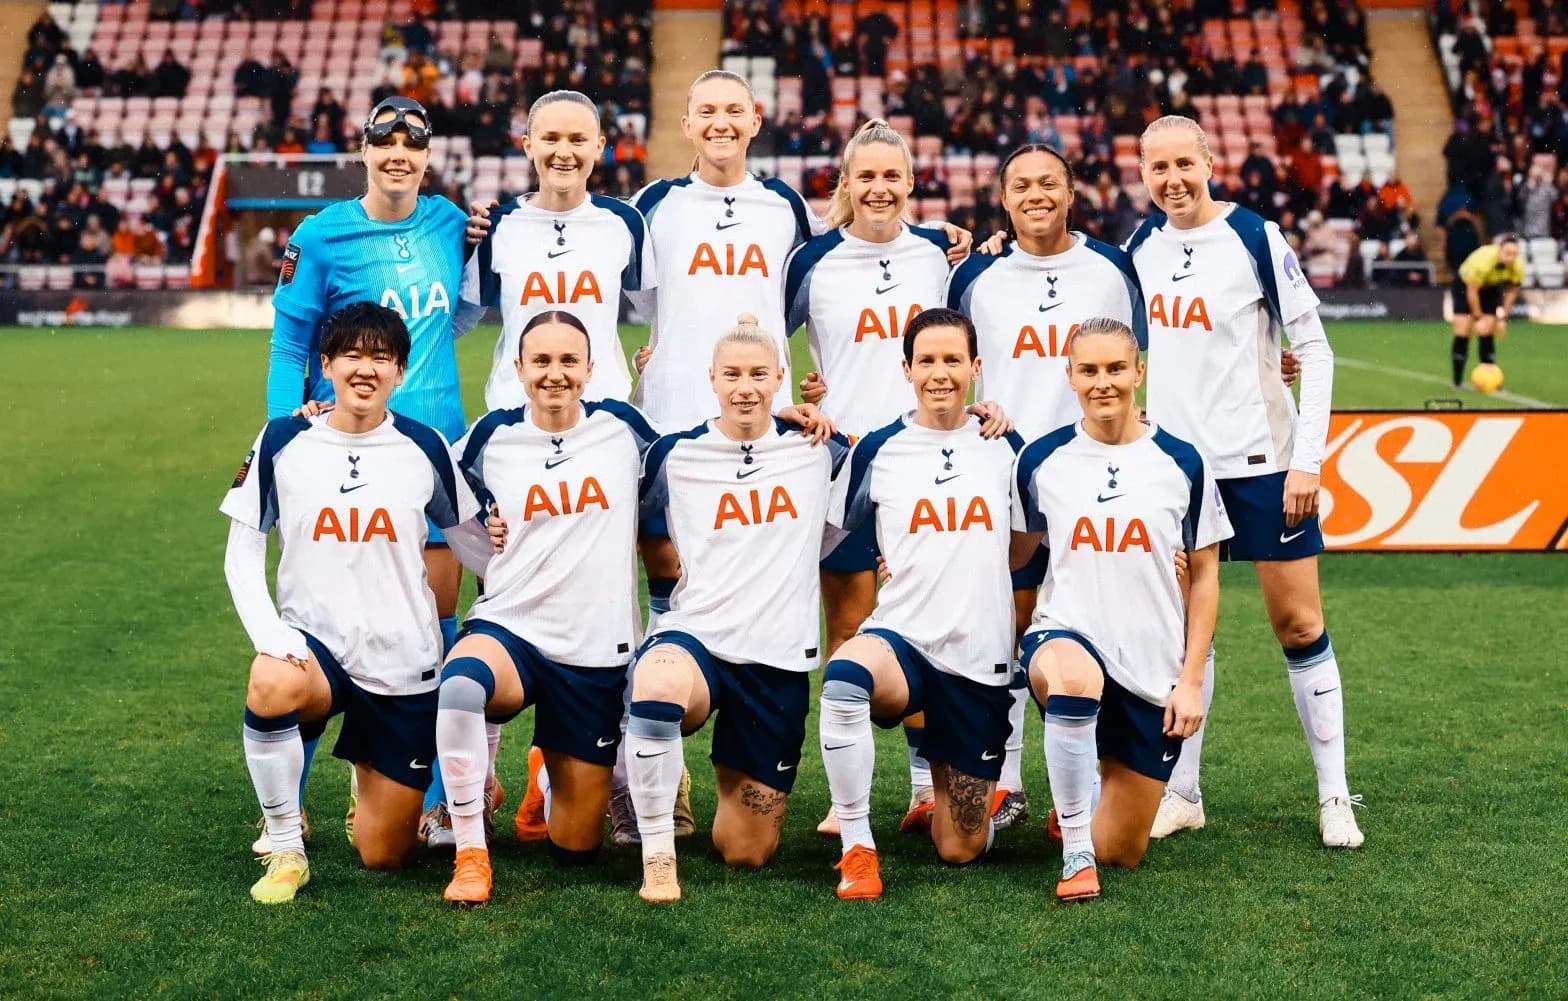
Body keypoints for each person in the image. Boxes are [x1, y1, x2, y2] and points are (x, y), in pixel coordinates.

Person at [261, 96, 489, 855]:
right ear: (363, 149)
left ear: (427, 156)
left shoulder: (450, 223)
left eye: (413, 143)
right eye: (384, 141)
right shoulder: (322, 234)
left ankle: (430, 795)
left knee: (432, 618)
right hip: (342, 450)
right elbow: (290, 339)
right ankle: (286, 810)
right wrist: (282, 430)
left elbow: (452, 318)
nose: (398, 153)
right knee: (319, 620)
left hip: (432, 449)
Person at [1127, 116, 1363, 849]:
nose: (1172, 180)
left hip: (1264, 465)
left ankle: (1333, 795)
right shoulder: (1138, 249)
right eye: (1157, 167)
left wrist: (1309, 459)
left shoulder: (1255, 236)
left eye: (1183, 164)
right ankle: (1184, 792)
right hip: (1175, 473)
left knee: (1298, 623)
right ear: (1143, 174)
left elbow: (1314, 351)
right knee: (1183, 638)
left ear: (1208, 161)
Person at [781, 119, 1012, 838]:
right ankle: (847, 800)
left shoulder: (939, 257)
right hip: (846, 463)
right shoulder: (811, 260)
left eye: (893, 176)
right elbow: (765, 333)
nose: (879, 188)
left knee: (927, 622)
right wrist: (801, 399)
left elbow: (972, 341)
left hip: (931, 464)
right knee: (852, 627)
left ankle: (922, 784)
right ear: (845, 184)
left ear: (912, 184)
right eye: (865, 176)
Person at [223, 303, 482, 904]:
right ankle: (287, 845)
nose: (365, 369)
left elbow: (474, 543)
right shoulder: (285, 439)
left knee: (384, 856)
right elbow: (241, 554)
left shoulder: (426, 446)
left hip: (405, 661)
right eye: (352, 355)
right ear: (327, 364)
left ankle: (366, 791)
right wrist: (272, 635)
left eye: (381, 358)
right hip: (316, 648)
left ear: (400, 371)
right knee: (269, 681)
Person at [946, 145, 1146, 827]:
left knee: (1091, 625)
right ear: (1002, 197)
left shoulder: (1110, 269)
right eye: (1021, 185)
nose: (1037, 194)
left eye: (1049, 183)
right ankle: (1006, 781)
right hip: (1001, 476)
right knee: (1006, 624)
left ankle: (1085, 784)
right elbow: (953, 363)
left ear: (1071, 191)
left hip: (1091, 477)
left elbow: (1140, 363)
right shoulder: (977, 275)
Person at [435, 311, 660, 906]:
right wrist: (488, 549)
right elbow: (435, 493)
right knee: (460, 686)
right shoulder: (492, 436)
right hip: (510, 626)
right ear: (519, 369)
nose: (554, 374)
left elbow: (707, 456)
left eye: (567, 362)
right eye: (541, 361)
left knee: (576, 850)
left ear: (590, 370)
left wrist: (791, 421)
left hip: (593, 649)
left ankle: (545, 773)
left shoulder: (624, 429)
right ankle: (470, 851)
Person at [627, 313, 847, 903]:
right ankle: (657, 855)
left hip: (775, 658)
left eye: (757, 374)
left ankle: (720, 779)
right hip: (697, 641)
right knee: (655, 681)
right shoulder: (673, 455)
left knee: (745, 852)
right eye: (732, 375)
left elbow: (901, 478)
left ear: (780, 377)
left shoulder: (821, 450)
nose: (744, 386)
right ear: (712, 379)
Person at [1012, 317, 1229, 901]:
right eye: (1088, 371)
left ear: (1139, 371)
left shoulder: (1183, 462)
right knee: (1075, 677)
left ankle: (1081, 816)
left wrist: (1190, 679)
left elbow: (1206, 576)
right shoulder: (1040, 460)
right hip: (1065, 638)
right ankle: (1075, 854)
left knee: (1123, 850)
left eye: (1114, 369)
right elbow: (1013, 559)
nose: (1102, 382)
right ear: (1070, 376)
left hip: (1151, 669)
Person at [817, 308, 1022, 900]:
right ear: (906, 368)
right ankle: (857, 847)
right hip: (902, 639)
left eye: (952, 360)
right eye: (926, 360)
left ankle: (973, 799)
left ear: (976, 367)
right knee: (846, 675)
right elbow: (829, 536)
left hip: (977, 661)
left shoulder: (1005, 446)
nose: (939, 373)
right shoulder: (879, 449)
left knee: (959, 849)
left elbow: (1033, 537)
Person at [461, 89, 655, 411]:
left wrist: (656, 357)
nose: (563, 152)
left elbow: (659, 312)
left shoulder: (625, 223)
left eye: (578, 140)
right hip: (516, 414)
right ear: (527, 146)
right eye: (550, 138)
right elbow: (458, 320)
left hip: (603, 414)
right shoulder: (495, 227)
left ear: (599, 147)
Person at [1450, 235, 1522, 390]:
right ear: (1499, 251)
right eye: (1507, 253)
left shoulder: (1517, 266)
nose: (1511, 258)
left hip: (1490, 288)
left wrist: (1503, 318)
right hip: (1465, 286)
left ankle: (1491, 380)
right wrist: (1478, 317)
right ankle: (1457, 382)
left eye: (1515, 254)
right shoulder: (1483, 261)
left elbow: (1512, 291)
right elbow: (1472, 291)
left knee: (1486, 331)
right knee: (1463, 330)